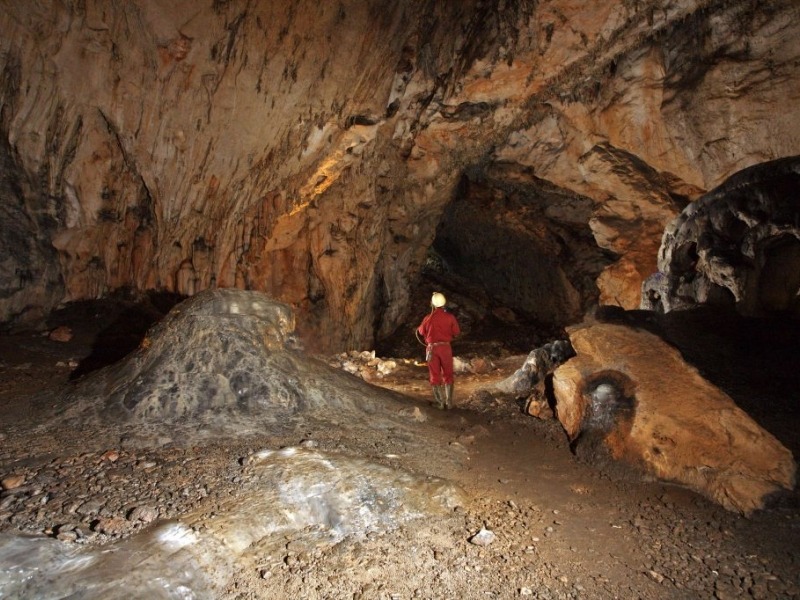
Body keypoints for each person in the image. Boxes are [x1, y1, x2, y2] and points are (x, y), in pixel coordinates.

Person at [417, 292, 460, 409]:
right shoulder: (450, 317)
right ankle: (449, 403)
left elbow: (420, 332)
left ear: (432, 304)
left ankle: (440, 403)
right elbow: (456, 332)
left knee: (434, 374)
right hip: (445, 348)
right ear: (444, 303)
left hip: (432, 349)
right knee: (448, 373)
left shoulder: (428, 318)